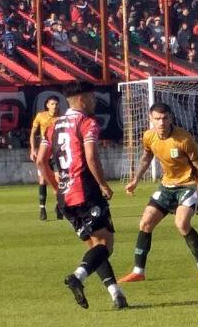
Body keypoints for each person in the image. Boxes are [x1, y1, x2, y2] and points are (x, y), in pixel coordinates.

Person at [35, 82, 128, 309]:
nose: (95, 102)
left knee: (95, 247)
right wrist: (103, 184)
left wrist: (57, 189)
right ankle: (78, 276)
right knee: (106, 244)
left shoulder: (52, 127)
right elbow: (91, 157)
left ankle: (117, 295)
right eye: (92, 98)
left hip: (65, 197)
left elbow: (40, 161)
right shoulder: (87, 123)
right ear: (83, 99)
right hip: (86, 190)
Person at [119, 102, 198, 283]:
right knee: (145, 223)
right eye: (157, 119)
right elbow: (146, 158)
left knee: (182, 223)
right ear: (150, 119)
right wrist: (135, 180)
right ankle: (138, 271)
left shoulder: (183, 139)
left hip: (188, 185)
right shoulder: (148, 136)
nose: (161, 122)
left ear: (170, 118)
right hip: (167, 187)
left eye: (164, 118)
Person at [30, 97, 61, 220]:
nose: (55, 106)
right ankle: (42, 209)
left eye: (56, 104)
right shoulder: (40, 116)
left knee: (59, 181)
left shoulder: (61, 119)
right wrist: (33, 149)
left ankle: (59, 206)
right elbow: (33, 134)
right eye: (52, 104)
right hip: (44, 152)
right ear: (47, 105)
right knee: (42, 180)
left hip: (57, 153)